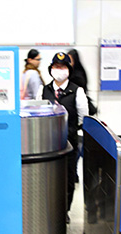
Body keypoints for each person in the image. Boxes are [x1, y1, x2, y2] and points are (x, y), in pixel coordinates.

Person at [36, 52, 88, 222]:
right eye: (56, 67)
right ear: (51, 69)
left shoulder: (77, 91)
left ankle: (65, 210)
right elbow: (37, 113)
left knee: (67, 178)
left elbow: (82, 116)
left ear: (69, 70)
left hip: (69, 143)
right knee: (47, 177)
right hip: (47, 143)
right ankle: (48, 208)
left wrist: (71, 130)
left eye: (63, 67)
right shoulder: (44, 90)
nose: (59, 70)